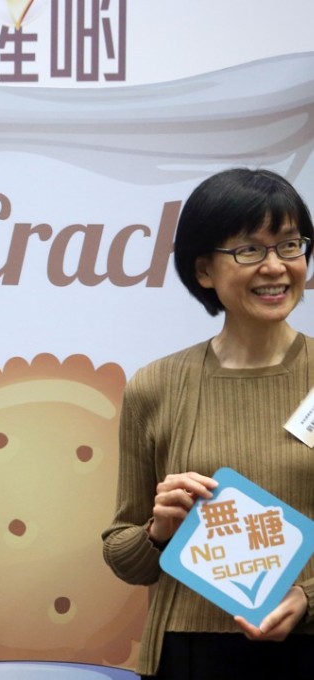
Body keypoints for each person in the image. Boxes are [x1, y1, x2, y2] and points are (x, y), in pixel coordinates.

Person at [102, 168, 314, 678]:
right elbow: (124, 555)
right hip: (190, 651)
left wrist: (308, 596)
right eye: (249, 250)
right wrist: (158, 531)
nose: (275, 267)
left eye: (289, 245)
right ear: (203, 270)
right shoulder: (156, 385)